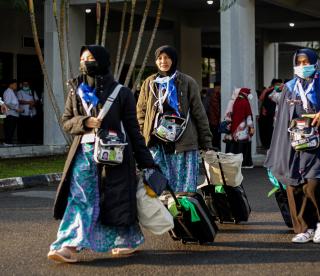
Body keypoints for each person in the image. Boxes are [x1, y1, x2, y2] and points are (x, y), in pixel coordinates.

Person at [48, 45, 156, 263]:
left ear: (102, 60)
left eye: (90, 58)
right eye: (83, 58)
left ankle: (126, 240)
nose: (85, 62)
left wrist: (147, 163)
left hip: (116, 155)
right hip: (84, 153)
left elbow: (134, 130)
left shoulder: (122, 93)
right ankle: (68, 245)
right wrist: (85, 122)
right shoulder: (75, 89)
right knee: (79, 197)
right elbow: (67, 121)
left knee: (116, 199)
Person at [265, 48, 320, 244]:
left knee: (316, 185)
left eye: (307, 62)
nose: (303, 66)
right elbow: (280, 119)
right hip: (295, 144)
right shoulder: (289, 86)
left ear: (315, 62)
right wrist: (277, 150)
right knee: (295, 186)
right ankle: (305, 228)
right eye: (299, 63)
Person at [137, 45, 212, 192]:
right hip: (156, 143)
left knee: (184, 188)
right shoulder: (149, 83)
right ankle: (163, 215)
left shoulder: (187, 82)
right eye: (159, 58)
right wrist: (141, 138)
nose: (163, 61)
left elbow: (199, 113)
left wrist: (206, 142)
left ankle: (183, 214)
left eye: (167, 58)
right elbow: (141, 112)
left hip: (183, 144)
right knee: (157, 186)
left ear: (174, 59)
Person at [223, 87, 255, 168]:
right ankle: (245, 163)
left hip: (234, 128)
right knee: (244, 146)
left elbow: (228, 115)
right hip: (243, 128)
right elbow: (248, 117)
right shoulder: (245, 102)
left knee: (234, 146)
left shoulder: (234, 101)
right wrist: (251, 127)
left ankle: (233, 163)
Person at [259, 79, 282, 149]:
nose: (279, 86)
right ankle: (267, 145)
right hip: (267, 114)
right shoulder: (268, 91)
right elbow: (261, 99)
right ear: (273, 85)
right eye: (278, 85)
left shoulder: (281, 91)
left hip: (274, 114)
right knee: (268, 130)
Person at [2, 80, 21, 145]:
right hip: (10, 114)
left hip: (12, 114)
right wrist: (16, 109)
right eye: (15, 85)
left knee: (11, 128)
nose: (16, 86)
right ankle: (7, 142)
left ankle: (8, 142)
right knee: (9, 128)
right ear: (11, 85)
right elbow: (7, 103)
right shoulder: (8, 92)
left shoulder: (11, 92)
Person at [207, 82, 221, 149]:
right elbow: (216, 109)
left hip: (213, 119)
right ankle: (214, 148)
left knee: (214, 135)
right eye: (218, 88)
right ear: (215, 88)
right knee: (215, 136)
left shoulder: (213, 95)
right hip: (214, 120)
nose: (219, 89)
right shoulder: (214, 96)